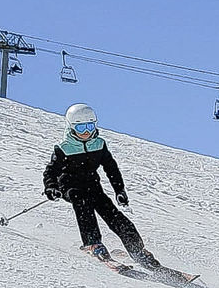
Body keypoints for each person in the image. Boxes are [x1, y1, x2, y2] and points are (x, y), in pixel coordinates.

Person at [43, 103, 160, 269]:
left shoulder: (99, 144)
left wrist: (119, 190)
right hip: (70, 186)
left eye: (90, 126)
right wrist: (51, 188)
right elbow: (50, 172)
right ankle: (92, 243)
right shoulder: (64, 148)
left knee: (113, 214)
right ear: (71, 127)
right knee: (82, 203)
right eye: (81, 127)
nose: (86, 132)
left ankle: (137, 249)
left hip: (92, 186)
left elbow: (111, 167)